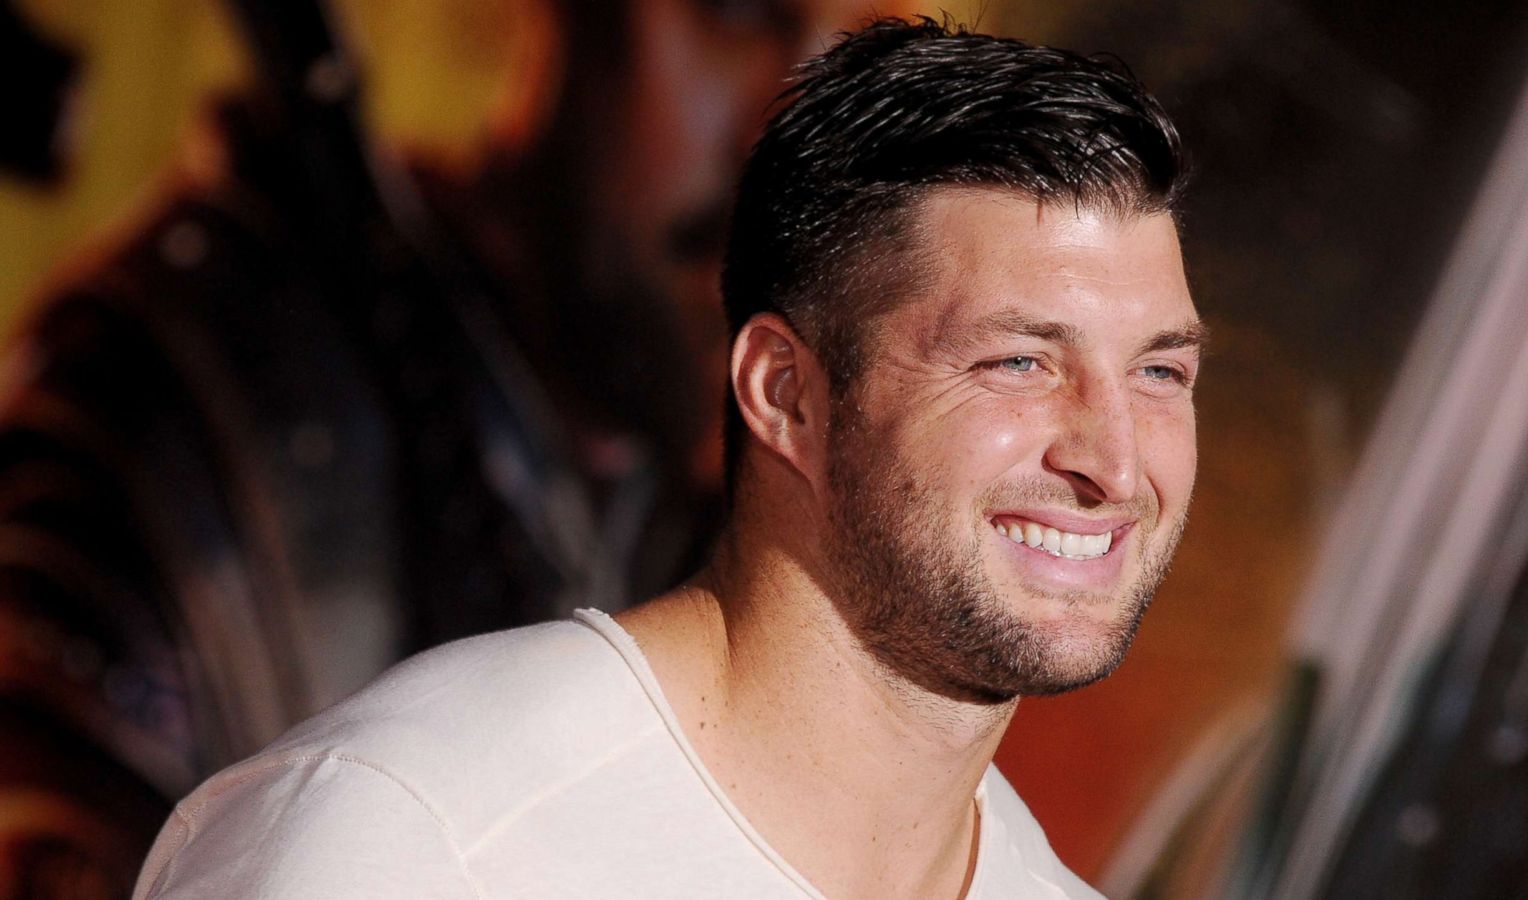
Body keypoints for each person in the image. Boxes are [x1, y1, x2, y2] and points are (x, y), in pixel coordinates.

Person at [132, 16, 1202, 899]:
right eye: (1018, 362)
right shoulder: (409, 841)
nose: (1113, 462)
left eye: (1159, 374)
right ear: (785, 394)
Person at [0, 0, 882, 894]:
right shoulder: (194, 406)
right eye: (737, 15)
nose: (798, 155)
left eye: (860, 57)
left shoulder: (730, 516)